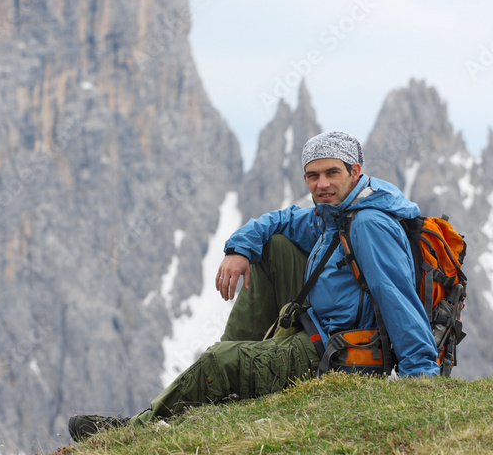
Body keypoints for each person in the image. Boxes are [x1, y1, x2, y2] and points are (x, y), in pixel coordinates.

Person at [69, 131, 439, 441]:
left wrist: (420, 382)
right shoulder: (334, 215)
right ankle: (235, 366)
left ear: (355, 171)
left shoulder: (368, 225)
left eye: (332, 173)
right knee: (272, 244)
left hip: (343, 356)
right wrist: (240, 249)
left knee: (218, 361)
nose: (322, 184)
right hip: (322, 331)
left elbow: (398, 300)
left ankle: (134, 431)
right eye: (312, 176)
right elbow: (282, 220)